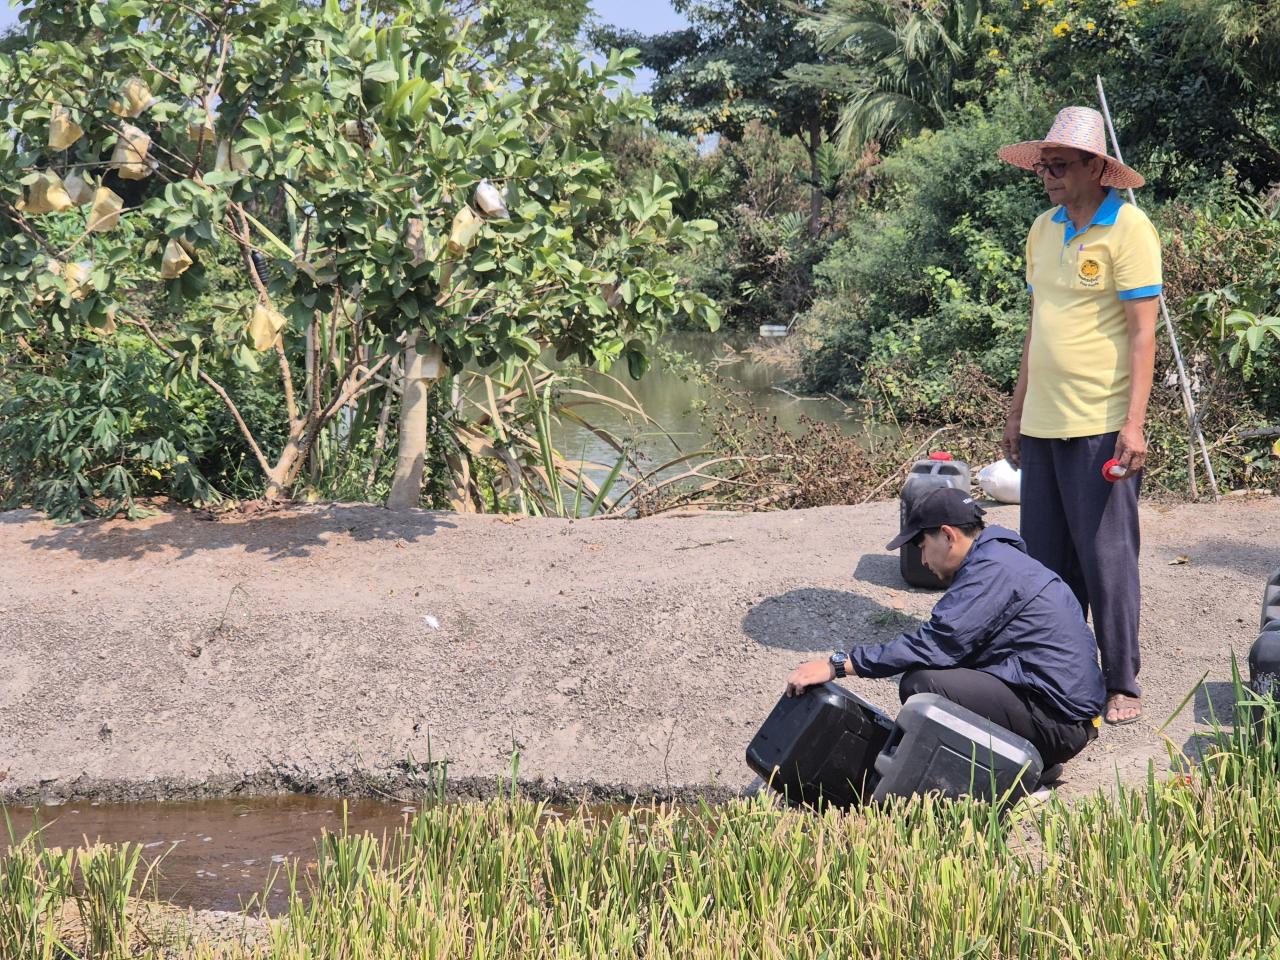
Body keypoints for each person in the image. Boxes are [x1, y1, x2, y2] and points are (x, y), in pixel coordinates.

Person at [997, 106, 1161, 725]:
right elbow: (1037, 325)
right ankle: (1057, 670)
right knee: (1043, 557)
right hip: (1042, 422)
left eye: (1061, 165)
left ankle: (1123, 681)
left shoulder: (1129, 229)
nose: (1048, 175)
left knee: (1106, 555)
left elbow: (1144, 336)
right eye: (1044, 166)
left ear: (1098, 167)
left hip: (1100, 422)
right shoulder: (1043, 229)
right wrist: (1015, 411)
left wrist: (1135, 423)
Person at [785, 487, 1105, 774]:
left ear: (948, 535)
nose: (923, 560)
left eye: (922, 546)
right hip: (1061, 714)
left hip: (1059, 722)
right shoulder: (999, 559)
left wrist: (836, 666)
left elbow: (934, 644)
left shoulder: (989, 571)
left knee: (923, 684)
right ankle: (1029, 763)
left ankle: (1010, 774)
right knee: (943, 673)